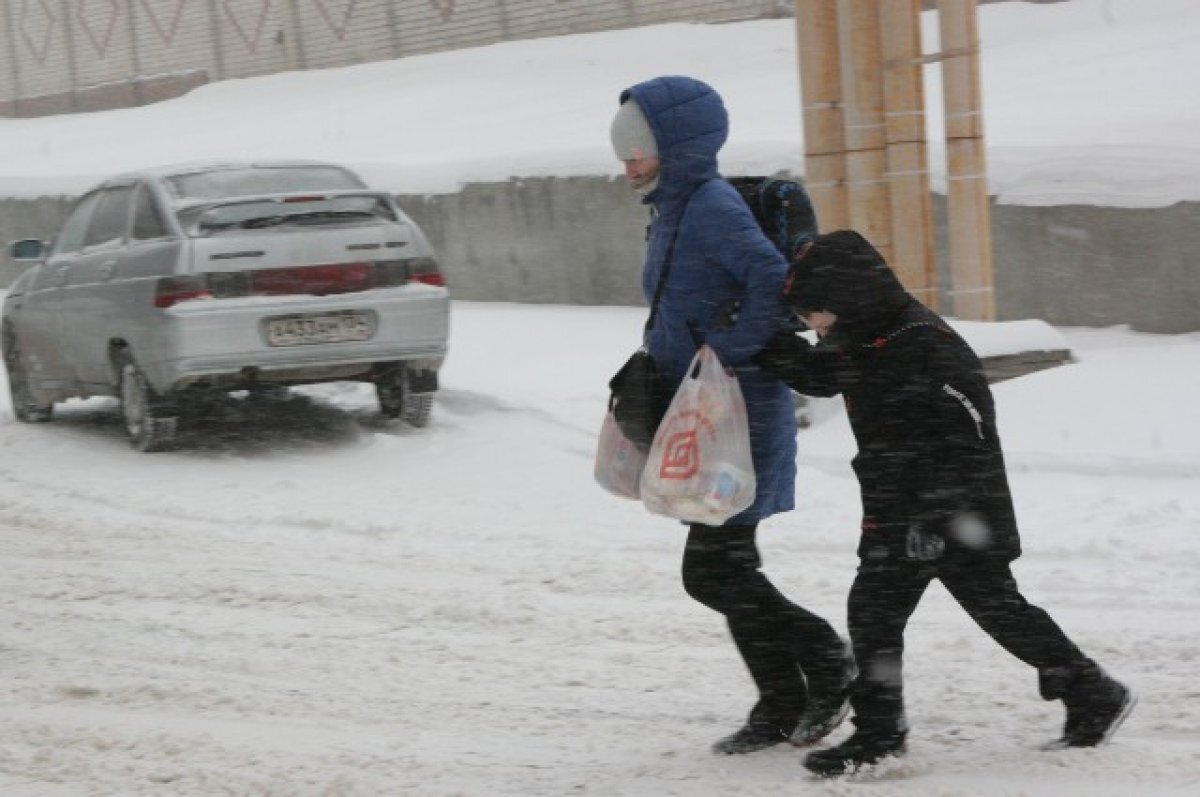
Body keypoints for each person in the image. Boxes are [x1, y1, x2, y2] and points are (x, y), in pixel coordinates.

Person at [753, 230, 1136, 776]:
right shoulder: (868, 333)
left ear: (848, 299)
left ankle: (886, 733)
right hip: (903, 505)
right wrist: (764, 344)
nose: (813, 326)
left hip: (949, 510)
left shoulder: (920, 345)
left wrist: (935, 516)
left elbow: (967, 438)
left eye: (815, 313)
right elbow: (825, 375)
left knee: (963, 610)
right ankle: (1087, 690)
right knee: (931, 612)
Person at [609, 75, 854, 755]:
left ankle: (827, 661)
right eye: (623, 149)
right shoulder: (674, 207)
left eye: (638, 149)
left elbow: (777, 289)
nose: (627, 163)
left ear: (679, 147)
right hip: (700, 413)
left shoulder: (711, 207)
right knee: (730, 568)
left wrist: (726, 349)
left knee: (715, 571)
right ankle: (781, 700)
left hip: (737, 415)